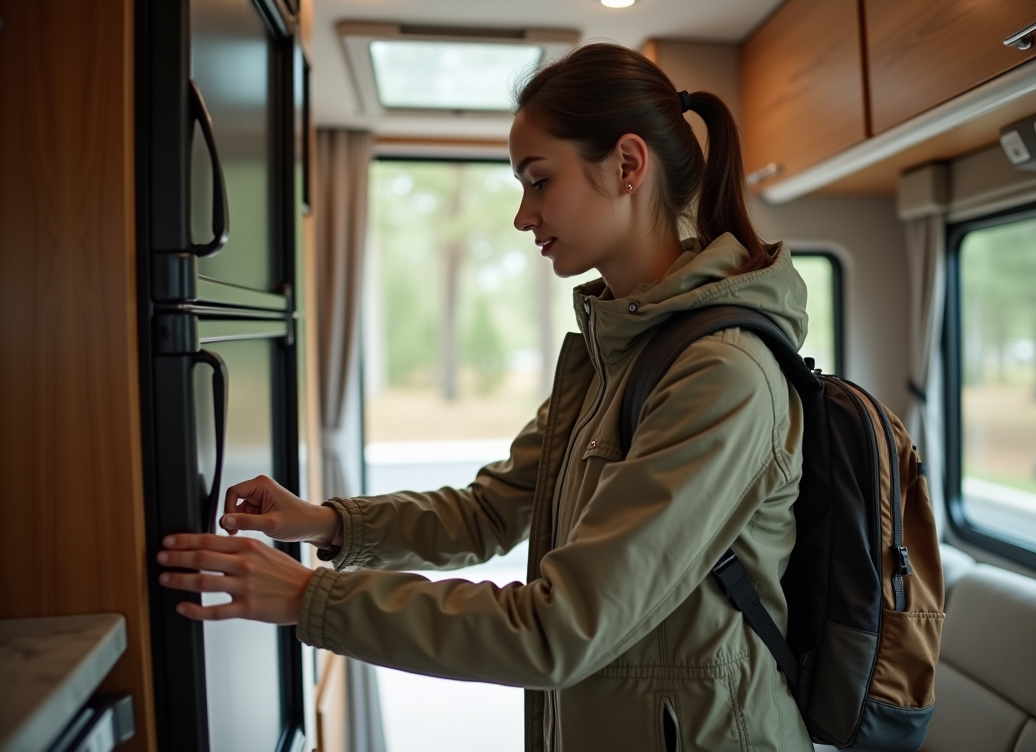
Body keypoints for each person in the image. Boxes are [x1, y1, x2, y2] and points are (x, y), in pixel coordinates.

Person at [158, 42, 811, 752]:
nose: (522, 216)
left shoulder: (721, 376)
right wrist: (325, 524)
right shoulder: (616, 352)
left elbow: (559, 630)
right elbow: (487, 512)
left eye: (538, 181)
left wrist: (308, 599)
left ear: (627, 166)